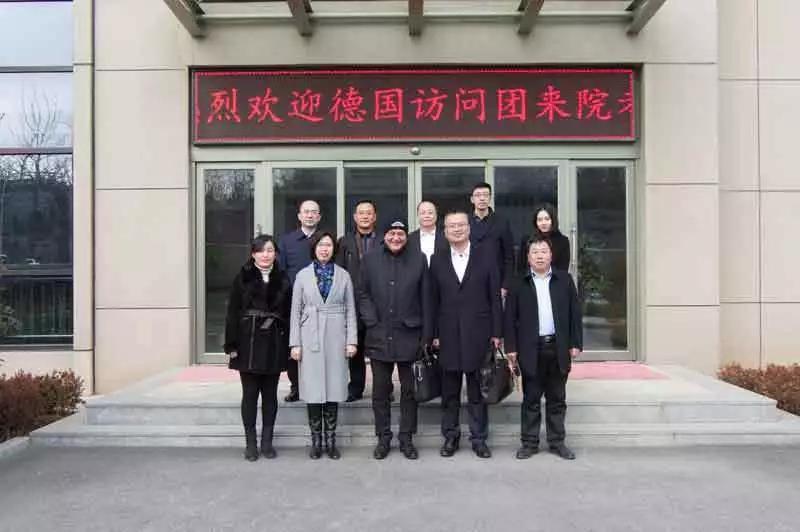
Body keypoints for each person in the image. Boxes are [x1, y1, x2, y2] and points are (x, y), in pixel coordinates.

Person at [429, 211, 502, 459]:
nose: (457, 229)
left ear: (469, 228)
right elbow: (432, 300)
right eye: (452, 226)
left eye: (461, 225)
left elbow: (494, 297)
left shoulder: (486, 255)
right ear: (445, 231)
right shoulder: (437, 259)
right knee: (449, 391)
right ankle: (450, 436)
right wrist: (433, 334)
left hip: (479, 332)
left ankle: (479, 438)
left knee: (477, 390)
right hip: (447, 334)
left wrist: (497, 331)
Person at [504, 235, 582, 461]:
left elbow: (574, 313)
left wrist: (575, 343)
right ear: (528, 257)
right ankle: (529, 443)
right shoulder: (519, 282)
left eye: (544, 251)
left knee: (557, 398)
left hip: (557, 347)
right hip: (531, 349)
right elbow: (509, 318)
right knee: (531, 399)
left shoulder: (564, 280)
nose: (539, 256)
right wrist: (511, 347)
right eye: (535, 252)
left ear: (551, 255)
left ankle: (557, 442)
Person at [359, 218, 431, 460]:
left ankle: (406, 438)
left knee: (410, 392)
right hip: (379, 335)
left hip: (410, 335)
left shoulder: (419, 259)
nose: (396, 238)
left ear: (406, 236)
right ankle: (383, 438)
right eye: (392, 233)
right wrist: (371, 320)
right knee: (380, 391)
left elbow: (426, 298)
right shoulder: (369, 259)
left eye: (400, 233)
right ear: (384, 235)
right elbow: (362, 293)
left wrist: (426, 335)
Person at [289, 232, 358, 460]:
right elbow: (295, 311)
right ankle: (316, 441)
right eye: (320, 245)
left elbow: (351, 310)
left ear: (334, 249)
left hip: (336, 335)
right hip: (310, 335)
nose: (324, 249)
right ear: (314, 248)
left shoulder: (344, 275)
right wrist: (295, 343)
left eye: (328, 245)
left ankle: (330, 441)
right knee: (313, 389)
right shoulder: (302, 276)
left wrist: (351, 340)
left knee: (333, 387)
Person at [224, 235, 291, 461]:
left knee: (270, 395)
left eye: (270, 250)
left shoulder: (283, 277)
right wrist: (231, 344)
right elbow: (232, 312)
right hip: (248, 342)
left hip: (274, 342)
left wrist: (290, 343)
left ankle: (267, 442)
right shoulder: (242, 277)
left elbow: (289, 313)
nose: (265, 255)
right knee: (250, 395)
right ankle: (250, 443)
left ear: (275, 254)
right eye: (261, 250)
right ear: (253, 254)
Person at [278, 200, 322, 403]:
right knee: (295, 347)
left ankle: (318, 385)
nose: (310, 215)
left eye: (314, 212)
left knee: (318, 346)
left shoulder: (325, 239)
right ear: (299, 216)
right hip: (294, 302)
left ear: (319, 216)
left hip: (322, 303)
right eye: (306, 212)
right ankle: (296, 386)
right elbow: (281, 271)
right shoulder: (286, 241)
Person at [336, 199, 379, 402]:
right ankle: (355, 388)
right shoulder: (344, 242)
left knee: (380, 350)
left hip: (378, 302)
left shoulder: (383, 240)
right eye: (361, 213)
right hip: (352, 301)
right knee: (356, 348)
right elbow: (339, 271)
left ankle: (383, 389)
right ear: (355, 217)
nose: (365, 216)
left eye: (369, 213)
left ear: (374, 217)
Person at [468, 182, 514, 296]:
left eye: (485, 195)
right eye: (478, 195)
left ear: (490, 198)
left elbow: (509, 256)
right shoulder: (465, 222)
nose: (482, 198)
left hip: (496, 281)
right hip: (470, 280)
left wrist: (505, 285)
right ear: (472, 199)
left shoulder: (502, 222)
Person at [517, 203, 570, 274]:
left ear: (553, 220)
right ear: (535, 222)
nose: (543, 223)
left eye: (547, 219)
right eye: (540, 220)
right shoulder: (527, 240)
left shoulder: (563, 241)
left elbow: (563, 270)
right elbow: (521, 268)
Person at [408, 200, 449, 266]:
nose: (426, 216)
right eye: (423, 213)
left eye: (430, 213)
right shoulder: (409, 238)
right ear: (417, 216)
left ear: (436, 215)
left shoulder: (447, 236)